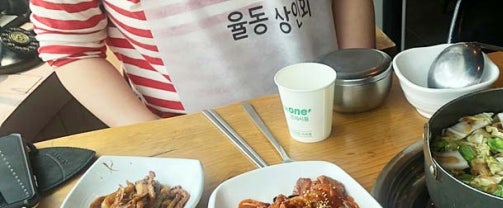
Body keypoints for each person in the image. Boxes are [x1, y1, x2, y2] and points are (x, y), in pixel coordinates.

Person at [29, 1, 376, 127]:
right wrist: (162, 144)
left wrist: (356, 88)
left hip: (334, 113)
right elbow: (72, 46)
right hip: (186, 135)